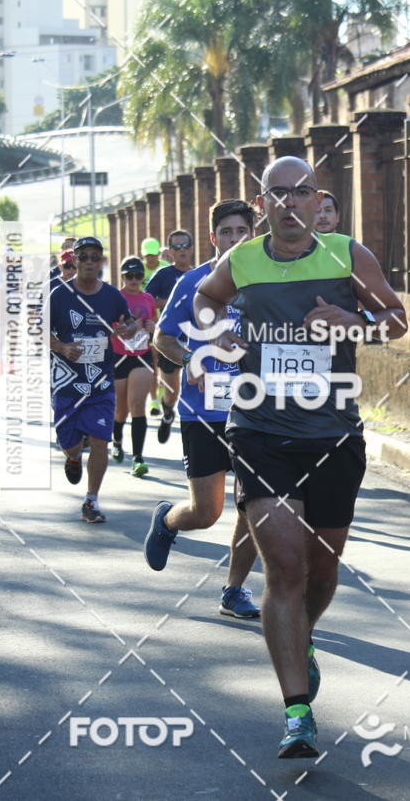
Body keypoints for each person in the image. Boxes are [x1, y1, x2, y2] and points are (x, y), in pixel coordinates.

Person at [192, 157, 408, 758]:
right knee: (283, 569)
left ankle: (302, 637)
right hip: (259, 428)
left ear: (318, 201)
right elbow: (206, 302)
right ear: (262, 205)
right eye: (277, 194)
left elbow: (397, 321)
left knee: (320, 569)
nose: (289, 203)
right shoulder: (242, 259)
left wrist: (353, 322)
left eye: (301, 193)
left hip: (333, 432)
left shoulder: (347, 253)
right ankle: (296, 712)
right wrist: (217, 334)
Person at [144, 199, 260, 619]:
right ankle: (168, 521)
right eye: (226, 232)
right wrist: (191, 360)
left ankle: (234, 589)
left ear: (253, 234)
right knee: (206, 512)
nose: (234, 239)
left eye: (241, 232)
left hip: (253, 409)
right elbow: (163, 337)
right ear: (213, 238)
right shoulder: (193, 281)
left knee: (252, 505)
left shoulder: (265, 282)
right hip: (202, 411)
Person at [50, 236, 138, 523]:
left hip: (101, 382)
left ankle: (91, 501)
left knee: (101, 440)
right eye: (83, 256)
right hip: (66, 384)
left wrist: (129, 330)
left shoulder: (112, 296)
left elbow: (126, 326)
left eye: (94, 257)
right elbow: (39, 331)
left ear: (102, 261)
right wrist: (62, 347)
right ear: (73, 260)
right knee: (70, 444)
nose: (89, 262)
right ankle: (73, 457)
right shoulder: (59, 294)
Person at [145, 230, 193, 444]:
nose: (182, 250)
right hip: (170, 340)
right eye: (177, 247)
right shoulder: (163, 275)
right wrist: (169, 304)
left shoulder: (200, 273)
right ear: (170, 251)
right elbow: (146, 300)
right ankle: (167, 413)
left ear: (191, 248)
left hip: (196, 339)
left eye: (185, 245)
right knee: (172, 391)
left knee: (198, 387)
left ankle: (198, 428)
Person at [111, 256, 157, 477]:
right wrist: (135, 325)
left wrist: (151, 326)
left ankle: (138, 458)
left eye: (138, 275)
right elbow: (115, 330)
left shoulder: (148, 299)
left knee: (137, 405)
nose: (134, 279)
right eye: (129, 275)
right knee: (121, 410)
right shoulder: (114, 297)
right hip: (119, 357)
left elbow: (155, 327)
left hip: (141, 356)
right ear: (122, 276)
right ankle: (117, 440)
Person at [140, 237, 168, 416]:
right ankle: (154, 401)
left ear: (159, 253)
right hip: (147, 322)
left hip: (164, 321)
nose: (151, 259)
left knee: (164, 362)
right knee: (152, 363)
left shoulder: (165, 267)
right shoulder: (138, 269)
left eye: (154, 255)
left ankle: (162, 394)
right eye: (147, 255)